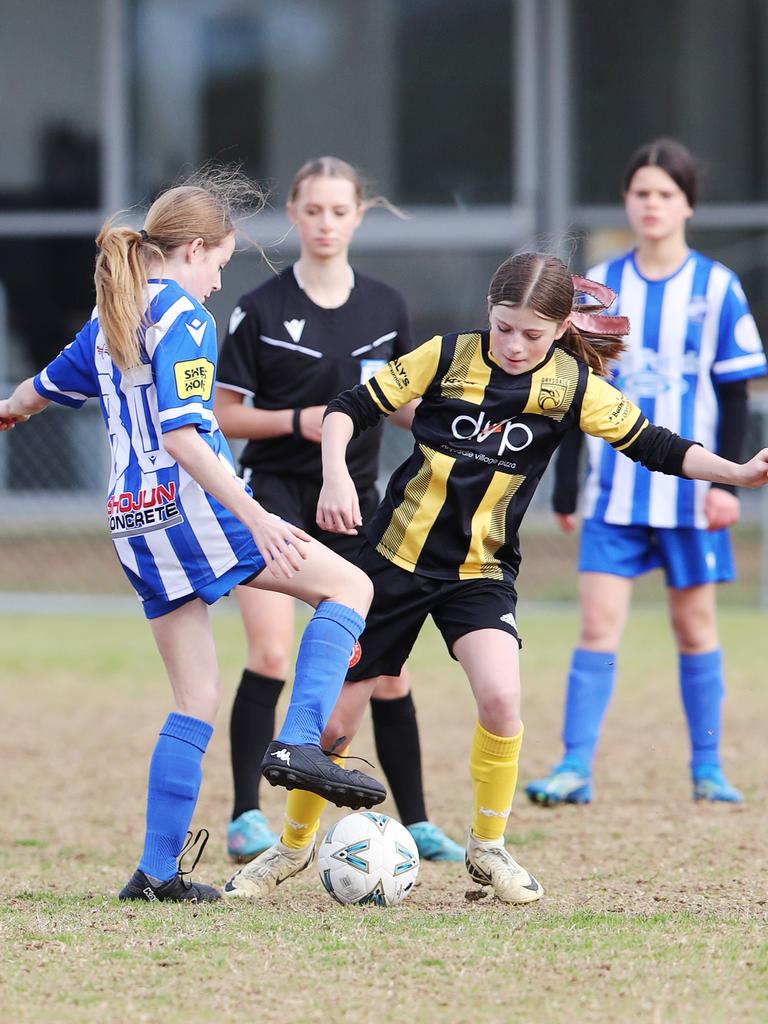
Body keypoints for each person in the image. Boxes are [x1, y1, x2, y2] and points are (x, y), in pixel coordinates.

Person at [222, 251, 768, 904]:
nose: (514, 344)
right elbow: (348, 408)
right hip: (390, 565)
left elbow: (655, 443)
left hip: (480, 574)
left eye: (532, 334)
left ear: (564, 326)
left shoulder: (571, 386)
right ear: (490, 313)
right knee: (336, 727)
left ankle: (488, 849)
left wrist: (737, 473)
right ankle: (290, 850)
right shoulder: (447, 356)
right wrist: (337, 471)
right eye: (504, 327)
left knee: (503, 699)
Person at [0, 167, 388, 904]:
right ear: (194, 250)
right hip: (192, 505)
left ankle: (155, 872)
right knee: (350, 584)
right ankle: (300, 739)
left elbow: (29, 396)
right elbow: (183, 435)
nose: (217, 282)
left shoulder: (109, 315)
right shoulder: (182, 317)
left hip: (130, 518)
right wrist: (257, 515)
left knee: (195, 695)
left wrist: (9, 415)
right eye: (219, 264)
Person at [215, 156, 462, 863]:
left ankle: (415, 821)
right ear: (293, 215)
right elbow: (225, 415)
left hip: (359, 504)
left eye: (338, 210)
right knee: (270, 651)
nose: (325, 223)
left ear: (360, 216)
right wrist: (307, 422)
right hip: (275, 497)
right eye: (312, 210)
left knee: (386, 666)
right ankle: (244, 816)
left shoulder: (386, 308)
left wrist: (462, 434)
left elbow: (407, 405)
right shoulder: (258, 308)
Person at [525, 139, 768, 809]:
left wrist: (724, 487)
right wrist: (569, 489)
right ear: (627, 202)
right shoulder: (602, 287)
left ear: (687, 203)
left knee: (695, 629)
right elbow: (576, 394)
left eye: (665, 193)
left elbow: (734, 395)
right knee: (598, 627)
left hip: (692, 501)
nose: (652, 204)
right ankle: (574, 767)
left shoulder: (716, 288)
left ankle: (709, 768)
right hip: (615, 494)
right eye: (641, 193)